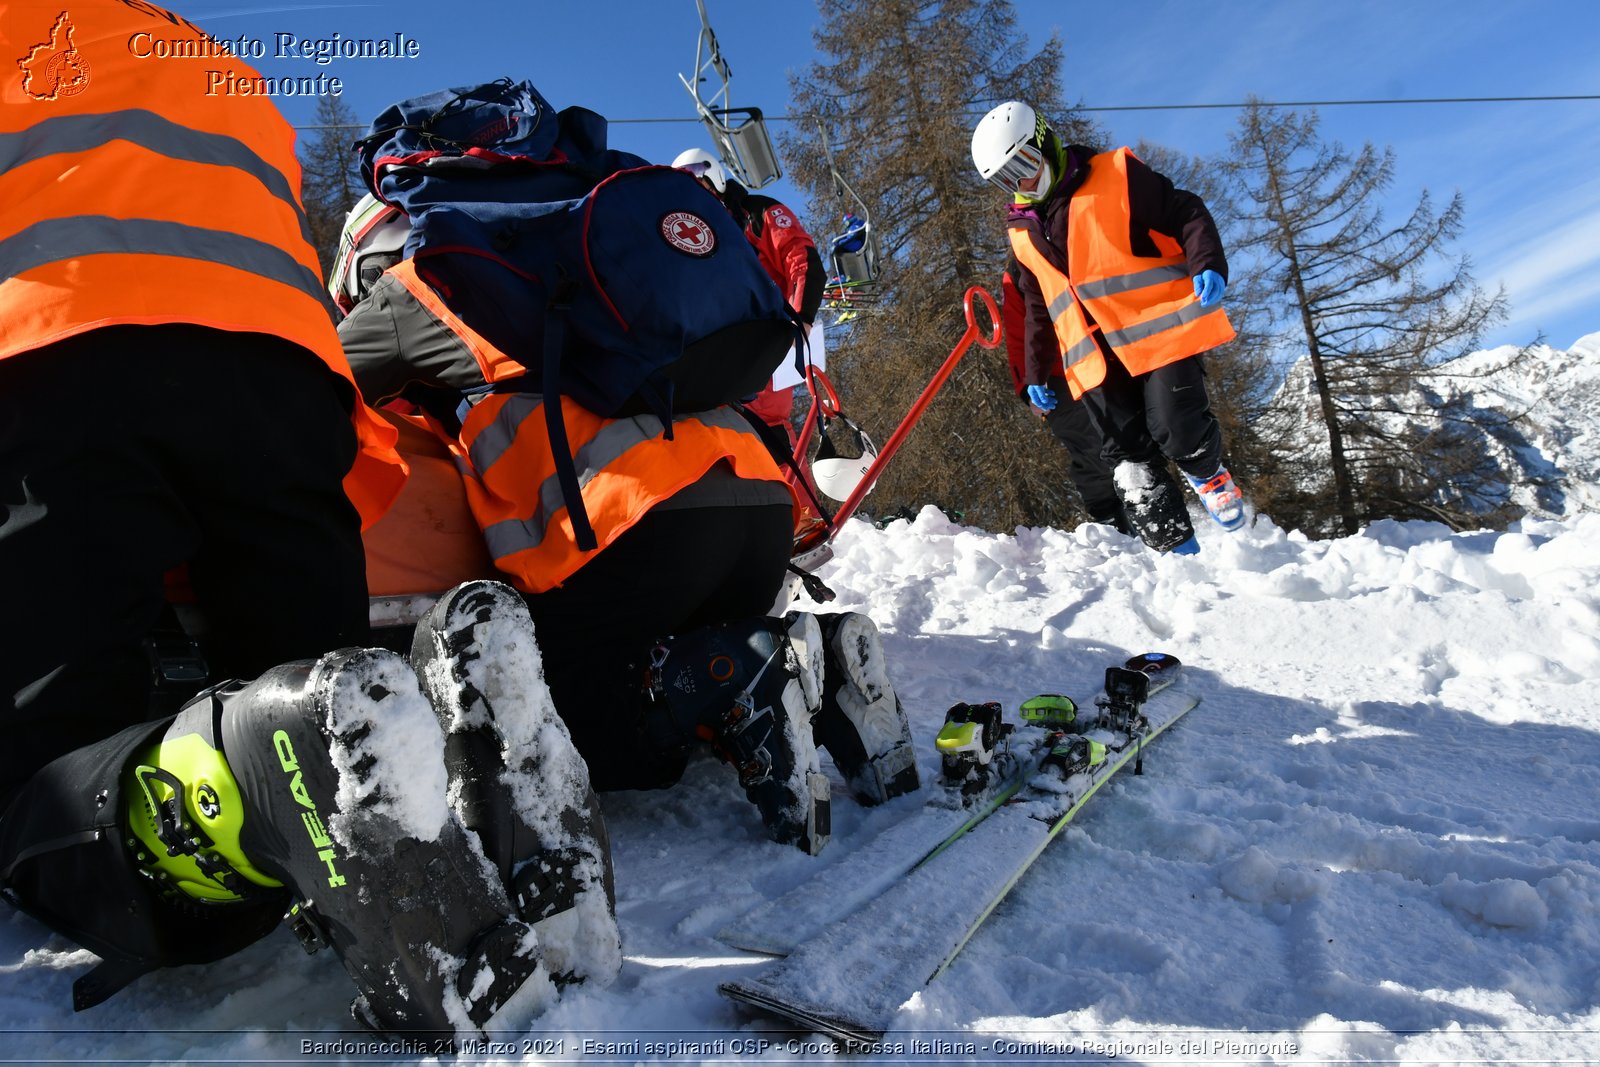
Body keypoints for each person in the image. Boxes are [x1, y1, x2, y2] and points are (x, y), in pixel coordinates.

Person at [0, 2, 615, 1032]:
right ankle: (471, 798)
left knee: (46, 784)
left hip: (61, 350)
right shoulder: (194, 54)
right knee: (316, 683)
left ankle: (250, 780)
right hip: (283, 373)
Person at [336, 157, 918, 857]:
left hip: (639, 519)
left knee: (564, 707)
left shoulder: (419, 288)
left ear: (367, 262)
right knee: (668, 642)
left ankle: (736, 674)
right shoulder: (564, 270)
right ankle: (820, 653)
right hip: (755, 500)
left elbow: (315, 379)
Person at [972, 101, 1248, 554]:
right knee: (1131, 462)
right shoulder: (1021, 232)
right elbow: (1040, 305)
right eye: (1005, 178)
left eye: (1022, 164)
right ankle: (1179, 556)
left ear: (1046, 142)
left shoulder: (1114, 175)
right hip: (1093, 359)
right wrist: (1036, 371)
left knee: (1176, 428)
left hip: (1158, 332)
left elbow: (1184, 209)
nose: (1020, 182)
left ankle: (1207, 472)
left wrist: (1207, 260)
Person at [671, 148, 827, 446]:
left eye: (698, 185)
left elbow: (800, 259)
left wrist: (801, 319)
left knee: (772, 446)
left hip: (764, 360)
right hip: (713, 377)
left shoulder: (754, 215)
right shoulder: (687, 238)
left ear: (714, 179)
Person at [1001, 266, 1133, 535]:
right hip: (1057, 376)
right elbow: (1017, 334)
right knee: (1090, 448)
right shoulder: (1017, 270)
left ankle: (1149, 505)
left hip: (1111, 356)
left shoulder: (1079, 237)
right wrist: (1025, 386)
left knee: (1132, 435)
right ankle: (1110, 521)